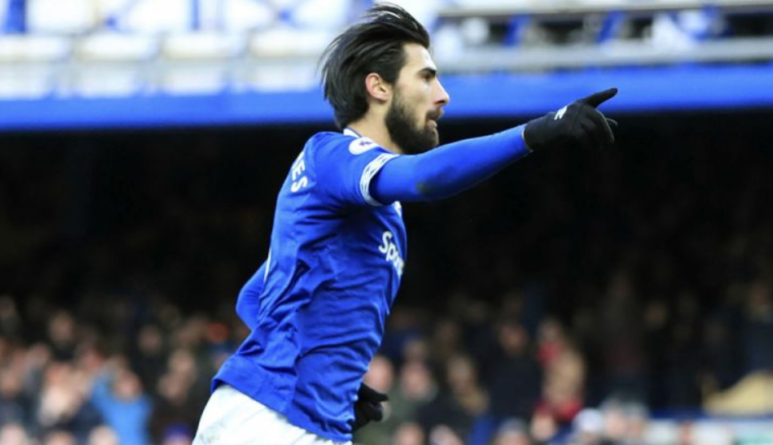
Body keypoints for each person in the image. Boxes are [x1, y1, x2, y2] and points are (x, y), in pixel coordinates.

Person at [192, 4, 618, 445]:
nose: (443, 95)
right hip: (274, 415)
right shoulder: (331, 155)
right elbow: (425, 177)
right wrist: (536, 132)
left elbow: (255, 295)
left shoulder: (378, 211)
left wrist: (333, 375)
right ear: (378, 86)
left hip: (297, 416)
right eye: (427, 77)